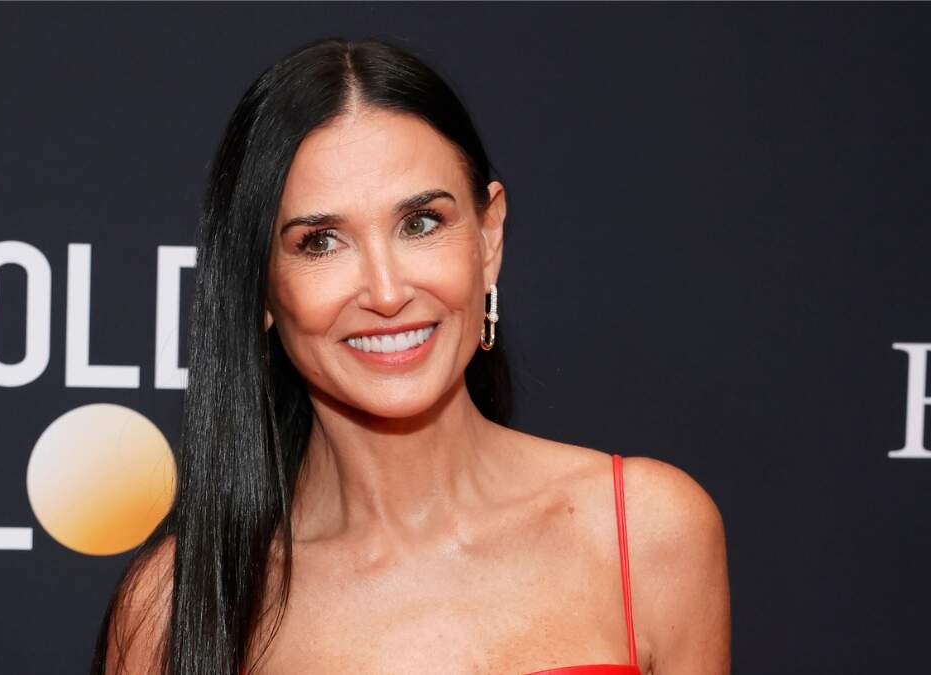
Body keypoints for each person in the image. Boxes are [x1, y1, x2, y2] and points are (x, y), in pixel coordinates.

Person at [93, 36, 730, 675]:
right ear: (259, 286)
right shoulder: (174, 608)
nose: (387, 292)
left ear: (488, 237)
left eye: (420, 223)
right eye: (321, 242)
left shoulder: (643, 531)